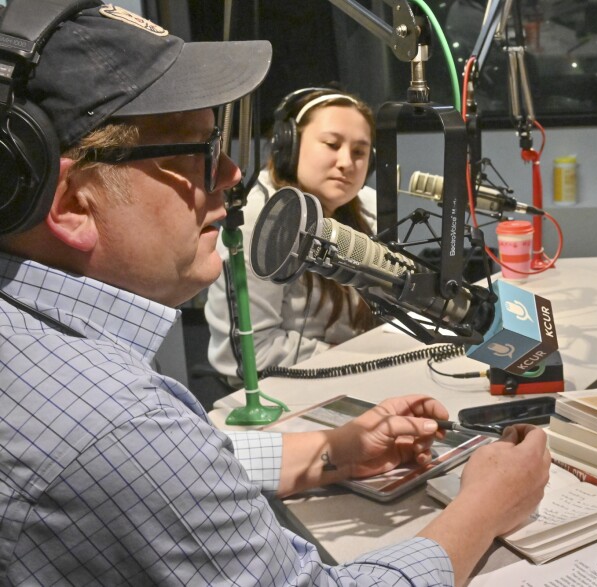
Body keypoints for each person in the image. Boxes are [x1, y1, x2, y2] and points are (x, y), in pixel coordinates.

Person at [0, 4, 550, 586]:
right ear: (71, 204)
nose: (231, 173)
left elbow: (182, 463)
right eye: (198, 151)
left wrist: (333, 452)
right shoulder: (120, 424)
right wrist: (484, 508)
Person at [205, 88, 378, 384]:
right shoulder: (259, 220)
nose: (347, 163)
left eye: (359, 152)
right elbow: (249, 355)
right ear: (289, 147)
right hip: (283, 390)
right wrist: (354, 360)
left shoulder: (371, 209)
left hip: (359, 375)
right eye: (332, 144)